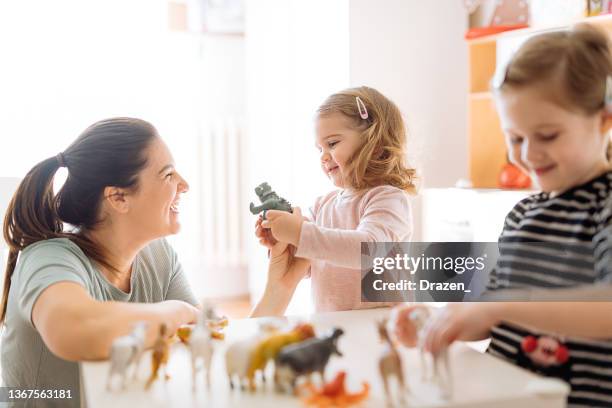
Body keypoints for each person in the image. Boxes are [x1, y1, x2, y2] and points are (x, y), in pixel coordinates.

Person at [394, 24, 612, 407]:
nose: (528, 154)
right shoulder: (523, 214)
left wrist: (500, 305)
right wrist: (439, 323)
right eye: (515, 138)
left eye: (547, 136)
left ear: (604, 120)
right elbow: (489, 313)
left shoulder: (605, 205)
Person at [1, 118, 200, 406]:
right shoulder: (48, 258)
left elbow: (207, 340)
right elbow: (73, 329)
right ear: (118, 197)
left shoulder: (159, 255)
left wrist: (277, 287)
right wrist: (178, 311)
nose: (184, 185)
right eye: (168, 174)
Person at [252, 86, 416, 313]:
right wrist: (283, 244)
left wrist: (299, 233)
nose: (323, 156)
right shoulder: (322, 205)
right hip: (330, 324)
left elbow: (368, 252)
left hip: (379, 327)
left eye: (332, 143)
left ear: (375, 146)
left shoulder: (388, 199)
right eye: (319, 148)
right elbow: (310, 264)